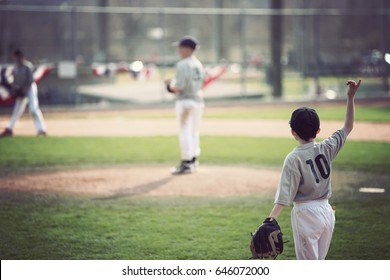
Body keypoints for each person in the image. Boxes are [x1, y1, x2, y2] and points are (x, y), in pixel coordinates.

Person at [266, 80, 361, 259]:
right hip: (326, 212)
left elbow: (284, 196)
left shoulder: (293, 158)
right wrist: (350, 97)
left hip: (305, 214)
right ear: (318, 131)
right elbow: (348, 127)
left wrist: (270, 220)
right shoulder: (326, 147)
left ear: (292, 132)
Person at [165, 36, 205, 175]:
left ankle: (186, 162)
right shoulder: (198, 64)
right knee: (194, 131)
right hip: (198, 101)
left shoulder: (183, 64)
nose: (179, 50)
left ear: (188, 49)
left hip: (185, 101)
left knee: (185, 131)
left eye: (181, 47)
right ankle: (193, 159)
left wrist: (169, 86)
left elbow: (180, 86)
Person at [0, 49, 47, 137]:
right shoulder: (16, 67)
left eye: (19, 56)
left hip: (30, 89)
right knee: (17, 110)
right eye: (16, 57)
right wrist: (15, 90)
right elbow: (15, 82)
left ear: (22, 57)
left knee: (33, 108)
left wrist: (23, 90)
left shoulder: (27, 66)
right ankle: (9, 129)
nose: (18, 58)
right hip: (21, 90)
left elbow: (30, 80)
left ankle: (41, 129)